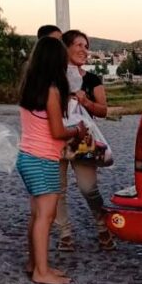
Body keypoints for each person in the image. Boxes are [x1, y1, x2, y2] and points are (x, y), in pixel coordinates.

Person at [16, 37, 88, 284]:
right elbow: (57, 131)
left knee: (37, 214)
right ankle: (41, 271)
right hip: (43, 158)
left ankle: (34, 263)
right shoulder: (53, 90)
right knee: (46, 216)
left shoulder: (30, 86)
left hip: (27, 155)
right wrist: (77, 130)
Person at [55, 29, 115, 251]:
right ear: (66, 48)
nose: (84, 50)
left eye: (86, 46)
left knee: (88, 188)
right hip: (57, 137)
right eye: (79, 45)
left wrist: (86, 102)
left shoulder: (91, 79)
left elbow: (103, 110)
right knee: (58, 189)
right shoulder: (54, 79)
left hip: (83, 139)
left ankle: (102, 226)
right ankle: (65, 234)